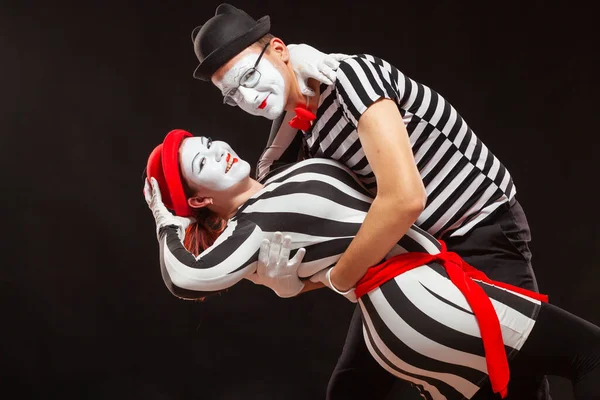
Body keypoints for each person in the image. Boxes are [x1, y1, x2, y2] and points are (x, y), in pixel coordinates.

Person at [188, 4, 551, 399]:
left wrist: (339, 281)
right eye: (231, 94)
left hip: (481, 232)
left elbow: (404, 201)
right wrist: (288, 284)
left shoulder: (352, 78)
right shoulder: (289, 144)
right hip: (408, 257)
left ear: (279, 49)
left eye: (249, 76)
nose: (247, 96)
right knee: (354, 388)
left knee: (514, 382)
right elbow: (293, 234)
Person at [143, 129, 600, 400]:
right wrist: (166, 220)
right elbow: (188, 276)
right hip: (419, 300)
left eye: (205, 140)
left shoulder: (276, 182)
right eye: (201, 160)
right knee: (589, 354)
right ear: (200, 198)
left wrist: (296, 283)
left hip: (410, 305)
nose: (217, 148)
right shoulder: (253, 227)